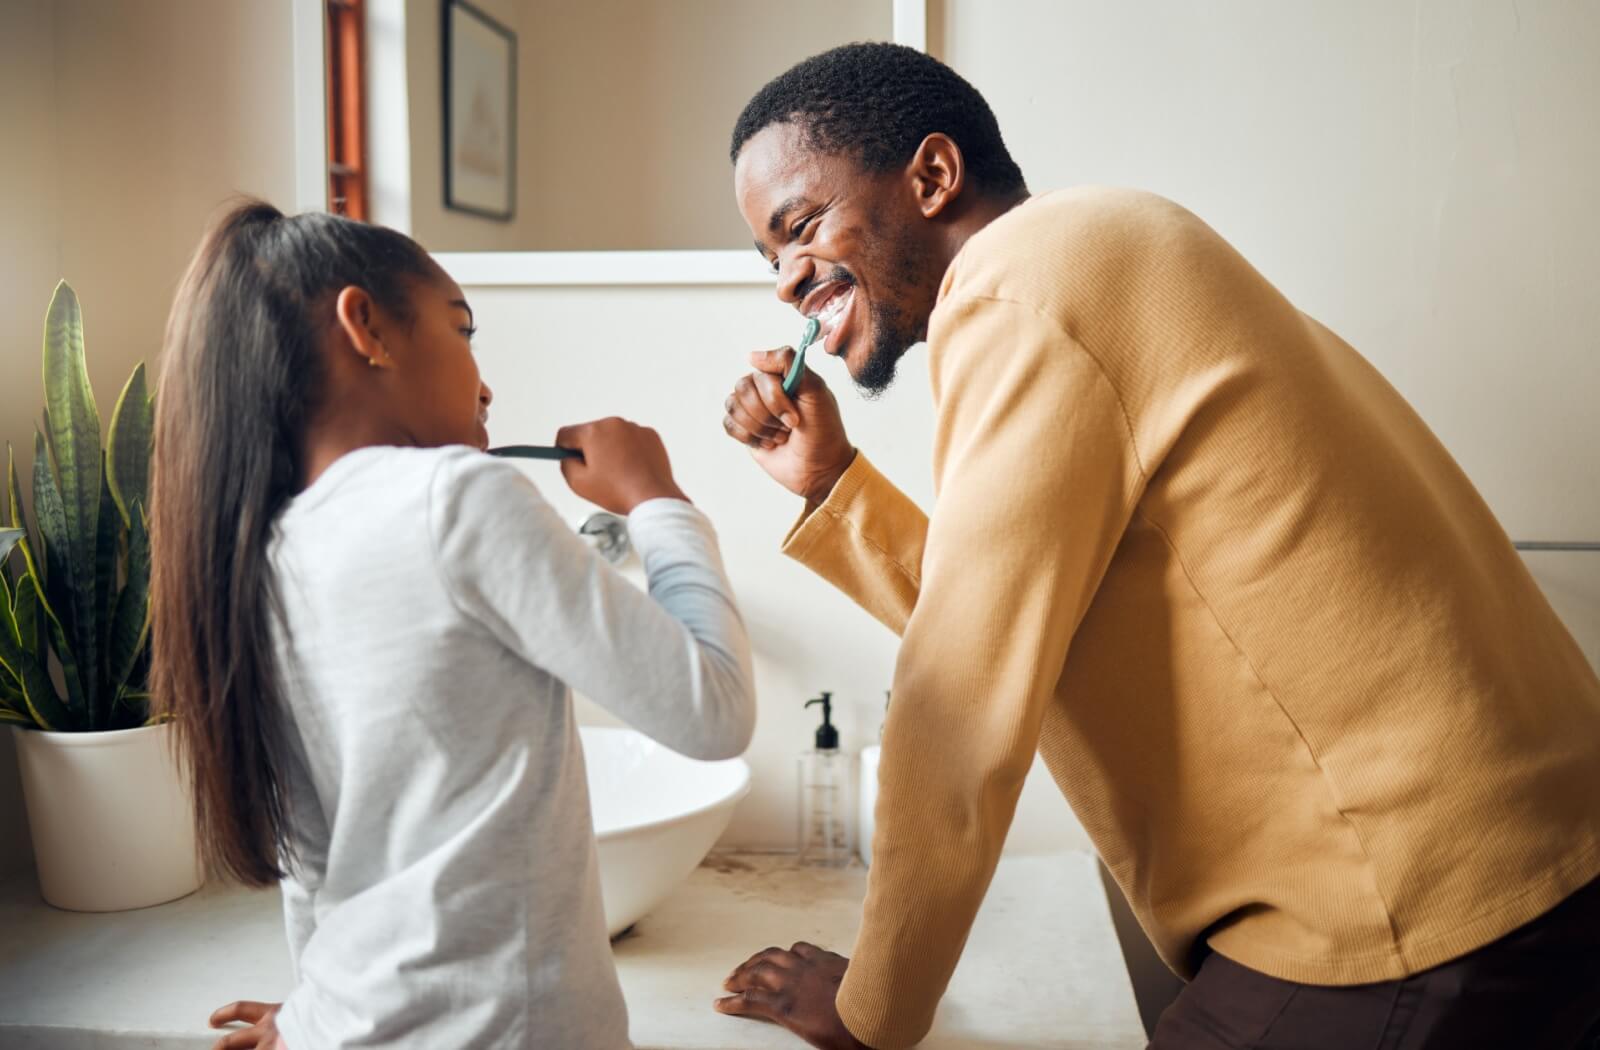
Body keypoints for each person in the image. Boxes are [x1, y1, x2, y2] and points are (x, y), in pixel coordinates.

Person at [715, 42, 1600, 1050]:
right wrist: (831, 485)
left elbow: (960, 698)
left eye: (799, 227)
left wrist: (872, 1010)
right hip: (1519, 862)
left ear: (931, 176)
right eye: (767, 258)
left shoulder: (1017, 288)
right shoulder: (1094, 250)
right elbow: (1022, 622)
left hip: (1404, 909)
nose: (786, 284)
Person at [150, 201, 756, 1049]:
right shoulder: (455, 498)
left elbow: (314, 858)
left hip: (345, 1024)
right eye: (461, 329)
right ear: (366, 326)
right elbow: (714, 712)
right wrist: (657, 500)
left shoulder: (263, 550)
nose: (484, 382)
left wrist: (310, 1013)